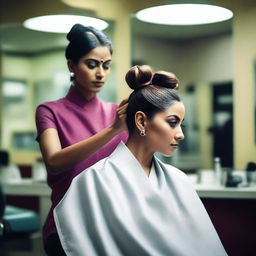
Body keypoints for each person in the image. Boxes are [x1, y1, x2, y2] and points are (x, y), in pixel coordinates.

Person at [54, 65, 227, 256]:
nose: (181, 135)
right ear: (141, 121)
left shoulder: (178, 179)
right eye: (172, 122)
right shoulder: (94, 180)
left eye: (181, 124)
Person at [35, 23, 128, 256]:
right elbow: (55, 162)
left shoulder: (117, 112)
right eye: (92, 64)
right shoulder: (49, 111)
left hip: (112, 227)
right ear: (71, 65)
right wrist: (113, 130)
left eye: (106, 66)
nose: (101, 74)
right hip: (66, 228)